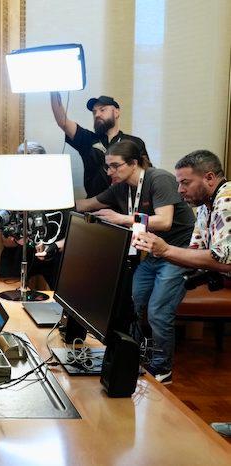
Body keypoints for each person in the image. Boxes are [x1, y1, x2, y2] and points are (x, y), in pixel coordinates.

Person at [76, 140, 195, 384]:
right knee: (136, 303)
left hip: (177, 253)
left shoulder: (158, 178)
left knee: (158, 311)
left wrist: (122, 218)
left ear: (133, 163)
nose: (109, 172)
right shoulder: (120, 187)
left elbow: (164, 222)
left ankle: (163, 369)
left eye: (114, 166)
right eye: (107, 167)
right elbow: (87, 204)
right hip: (152, 254)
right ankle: (136, 357)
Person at [133, 150, 230, 432]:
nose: (179, 190)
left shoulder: (226, 199)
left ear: (209, 178)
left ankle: (161, 367)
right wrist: (161, 253)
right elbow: (196, 253)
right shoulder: (205, 207)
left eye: (186, 183)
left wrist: (164, 249)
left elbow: (221, 259)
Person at [0, 141, 69, 289]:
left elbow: (70, 237)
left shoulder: (60, 189)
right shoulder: (8, 191)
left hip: (52, 251)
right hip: (18, 252)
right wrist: (18, 239)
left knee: (67, 293)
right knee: (5, 290)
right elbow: (6, 241)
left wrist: (53, 247)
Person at [51, 92, 149, 198]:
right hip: (94, 205)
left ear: (116, 112)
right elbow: (63, 122)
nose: (97, 114)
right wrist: (53, 90)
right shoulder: (88, 139)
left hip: (125, 206)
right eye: (94, 112)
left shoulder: (134, 142)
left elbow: (145, 175)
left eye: (102, 110)